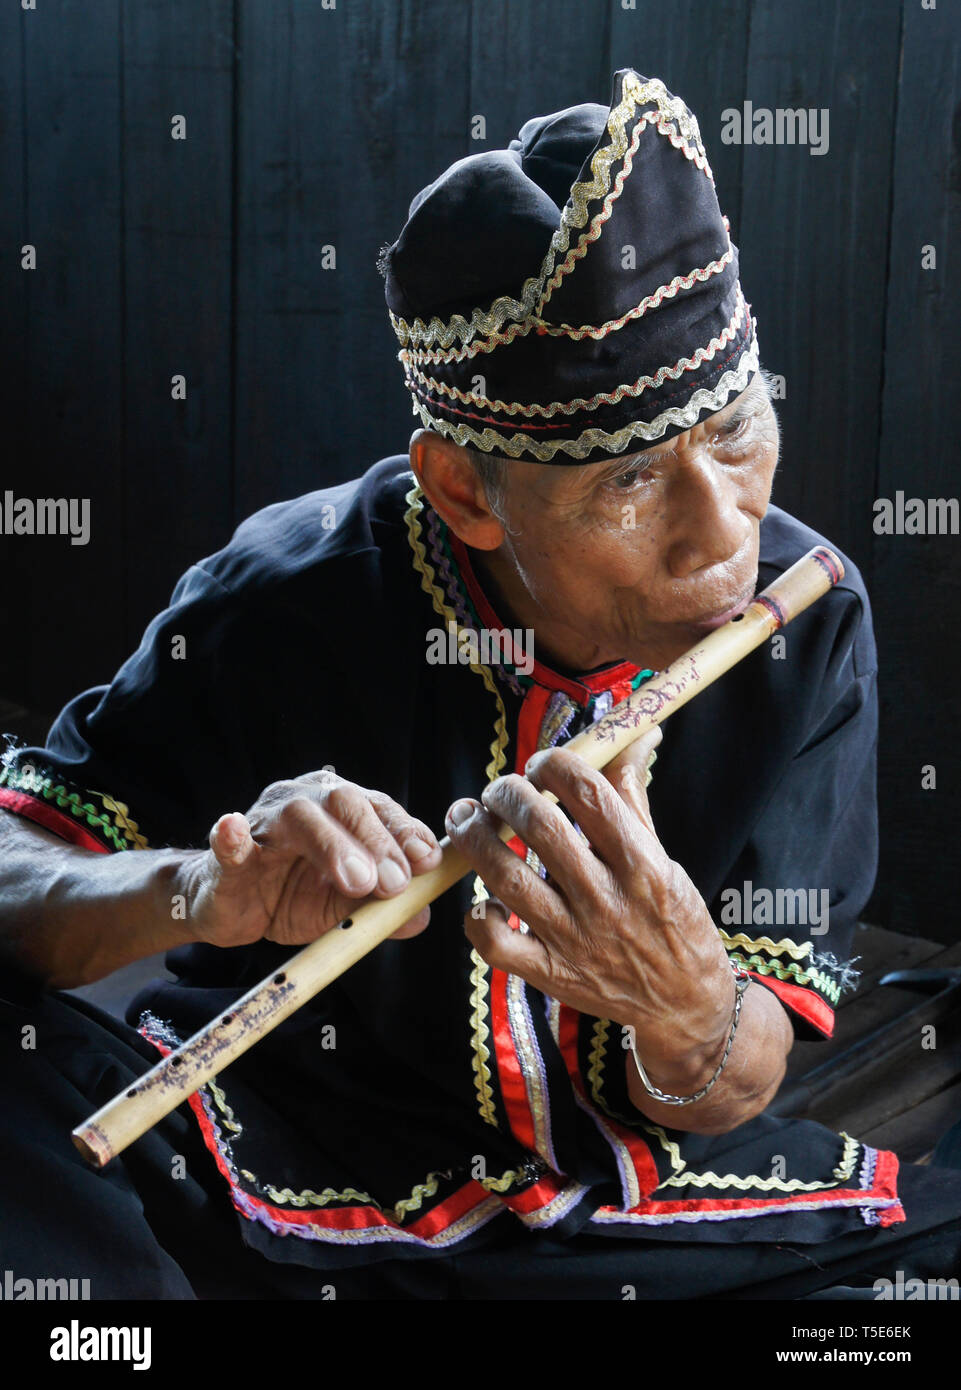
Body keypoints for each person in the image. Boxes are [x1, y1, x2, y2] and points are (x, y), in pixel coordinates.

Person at [1, 69, 959, 1300]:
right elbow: (18, 866)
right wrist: (194, 890)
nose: (722, 530)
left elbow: (738, 1079)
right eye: (628, 482)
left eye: (735, 429)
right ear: (463, 490)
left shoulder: (806, 622)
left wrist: (687, 1006)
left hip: (635, 1219)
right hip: (276, 1175)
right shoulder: (285, 595)